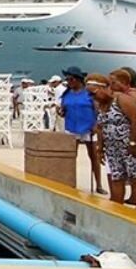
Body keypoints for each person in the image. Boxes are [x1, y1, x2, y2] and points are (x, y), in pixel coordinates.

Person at [91, 72, 136, 211]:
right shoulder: (101, 104)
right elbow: (100, 127)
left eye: (93, 93)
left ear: (104, 88)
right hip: (113, 149)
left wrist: (132, 143)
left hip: (131, 147)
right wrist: (100, 147)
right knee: (116, 177)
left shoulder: (122, 99)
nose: (91, 97)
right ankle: (118, 211)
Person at [57, 66, 104, 194]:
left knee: (94, 156)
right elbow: (63, 110)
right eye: (67, 79)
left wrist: (95, 124)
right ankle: (70, 181)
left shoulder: (89, 93)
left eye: (71, 79)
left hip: (88, 127)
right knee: (71, 156)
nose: (69, 82)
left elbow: (97, 110)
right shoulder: (66, 94)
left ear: (78, 79)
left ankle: (99, 184)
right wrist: (61, 112)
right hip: (72, 127)